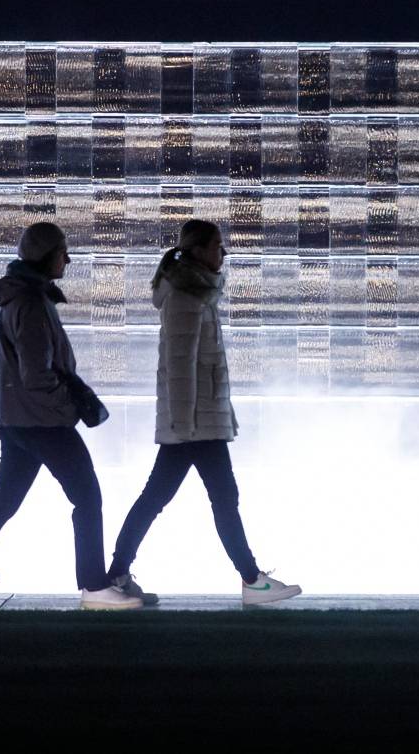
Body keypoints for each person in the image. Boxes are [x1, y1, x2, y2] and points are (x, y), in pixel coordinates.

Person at [0, 222, 142, 610]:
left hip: (17, 421)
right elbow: (37, 374)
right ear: (46, 256)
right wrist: (71, 406)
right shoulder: (31, 304)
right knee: (87, 497)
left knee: (5, 500)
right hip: (42, 421)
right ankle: (95, 586)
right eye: (62, 251)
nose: (68, 258)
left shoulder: (23, 300)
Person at [106, 220, 301, 607]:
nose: (223, 253)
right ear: (197, 251)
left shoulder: (196, 293)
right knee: (219, 498)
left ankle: (117, 574)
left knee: (160, 499)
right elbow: (179, 366)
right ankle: (251, 580)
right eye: (217, 246)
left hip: (197, 422)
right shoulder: (186, 297)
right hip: (195, 425)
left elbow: (197, 366)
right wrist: (185, 424)